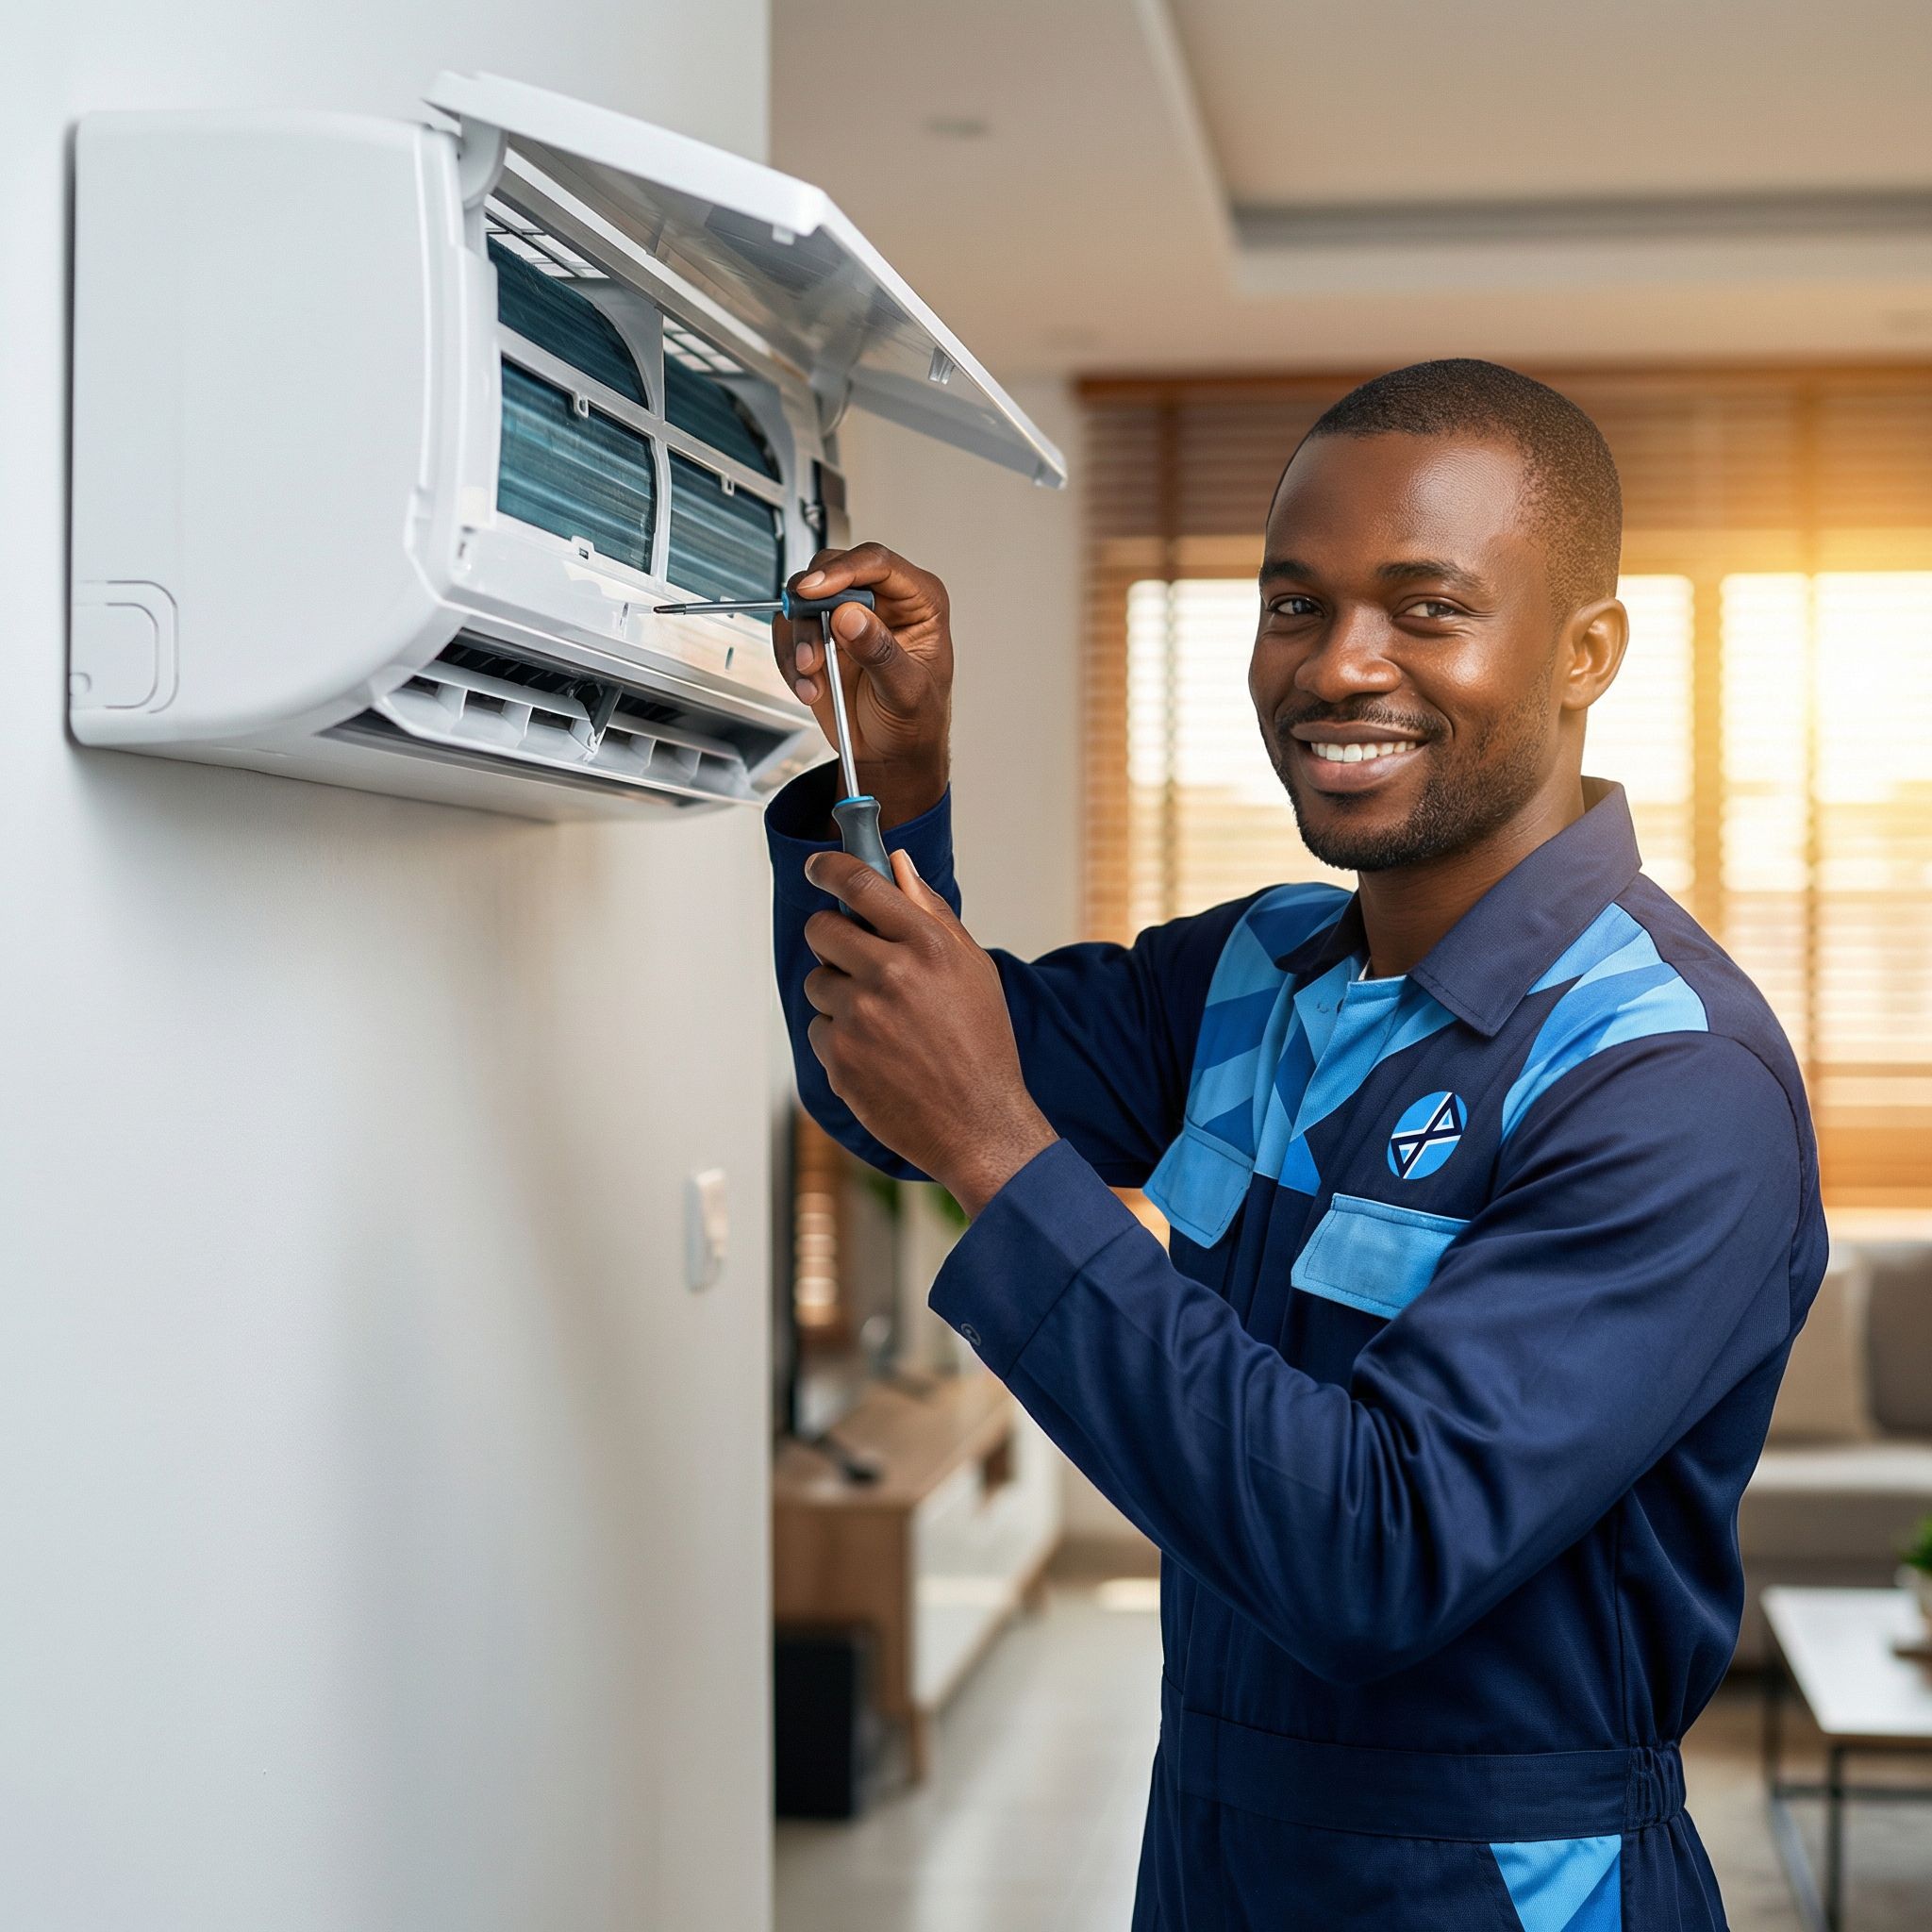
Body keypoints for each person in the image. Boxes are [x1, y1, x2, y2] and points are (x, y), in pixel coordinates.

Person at [764, 359, 1824, 1930]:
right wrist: (891, 784)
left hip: (1499, 1883)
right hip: (1214, 1848)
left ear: (1586, 651)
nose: (1341, 666)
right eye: (1294, 604)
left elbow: (1375, 1556)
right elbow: (889, 1091)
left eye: (1426, 607)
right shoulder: (1251, 975)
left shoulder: (1671, 1077)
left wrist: (1002, 1148)